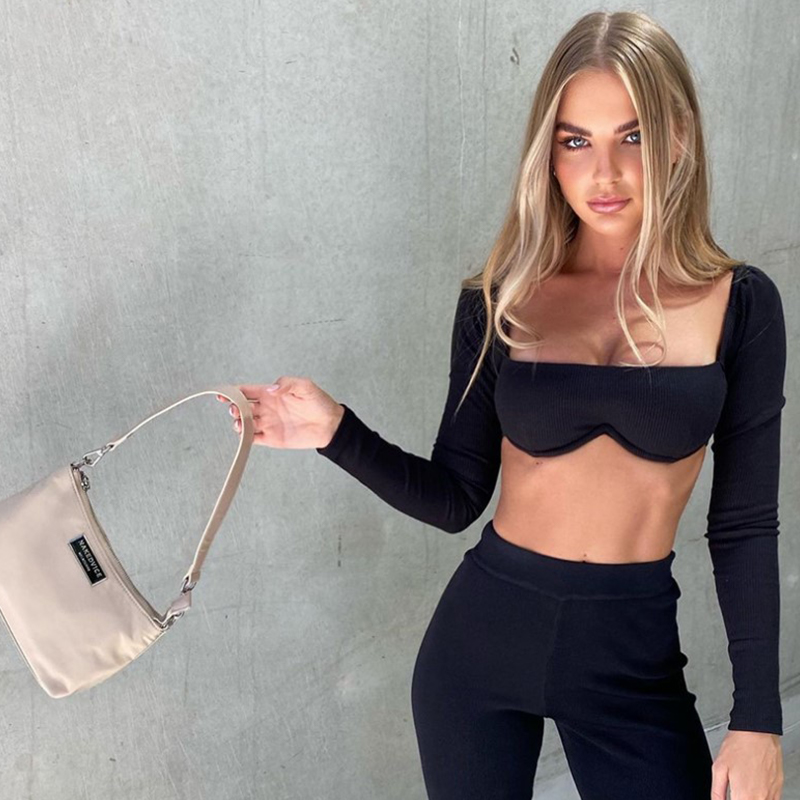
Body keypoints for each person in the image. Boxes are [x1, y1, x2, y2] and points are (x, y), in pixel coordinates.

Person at [218, 10, 786, 799]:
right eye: (576, 141)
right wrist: (335, 432)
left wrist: (758, 719)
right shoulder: (501, 300)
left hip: (633, 664)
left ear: (678, 137)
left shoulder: (741, 304)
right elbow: (456, 497)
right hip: (478, 648)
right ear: (548, 154)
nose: (604, 173)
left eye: (633, 136)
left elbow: (745, 525)